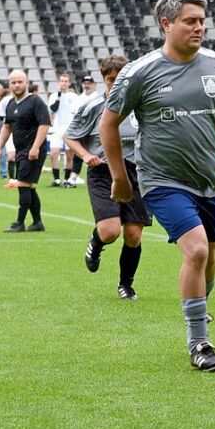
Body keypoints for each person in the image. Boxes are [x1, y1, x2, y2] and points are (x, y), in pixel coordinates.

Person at [101, 0, 215, 372]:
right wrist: (121, 178)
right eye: (190, 21)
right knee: (198, 250)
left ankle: (198, 309)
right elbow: (109, 123)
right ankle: (199, 344)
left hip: (207, 180)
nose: (199, 27)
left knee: (210, 258)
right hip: (161, 180)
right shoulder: (139, 72)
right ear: (166, 24)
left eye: (202, 21)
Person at [64, 54, 150, 299]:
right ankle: (96, 244)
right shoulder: (93, 107)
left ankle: (125, 285)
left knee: (133, 234)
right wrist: (85, 154)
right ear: (104, 80)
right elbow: (70, 136)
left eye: (120, 79)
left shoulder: (141, 105)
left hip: (136, 172)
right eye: (111, 79)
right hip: (103, 172)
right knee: (111, 231)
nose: (116, 83)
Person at [0, 70, 51, 232]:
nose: (17, 85)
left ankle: (19, 223)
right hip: (20, 150)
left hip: (32, 151)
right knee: (29, 186)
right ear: (9, 84)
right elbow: (7, 127)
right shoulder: (11, 103)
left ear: (26, 83)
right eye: (13, 82)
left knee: (23, 184)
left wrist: (35, 147)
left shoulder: (35, 102)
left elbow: (44, 125)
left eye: (20, 82)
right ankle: (38, 223)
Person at [47, 73, 80, 187]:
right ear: (59, 82)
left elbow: (78, 112)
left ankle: (66, 179)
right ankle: (56, 179)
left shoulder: (74, 97)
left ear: (69, 83)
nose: (64, 83)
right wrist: (59, 95)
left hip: (69, 129)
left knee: (69, 155)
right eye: (62, 81)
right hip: (57, 129)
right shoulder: (54, 96)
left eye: (66, 81)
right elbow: (53, 109)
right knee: (53, 153)